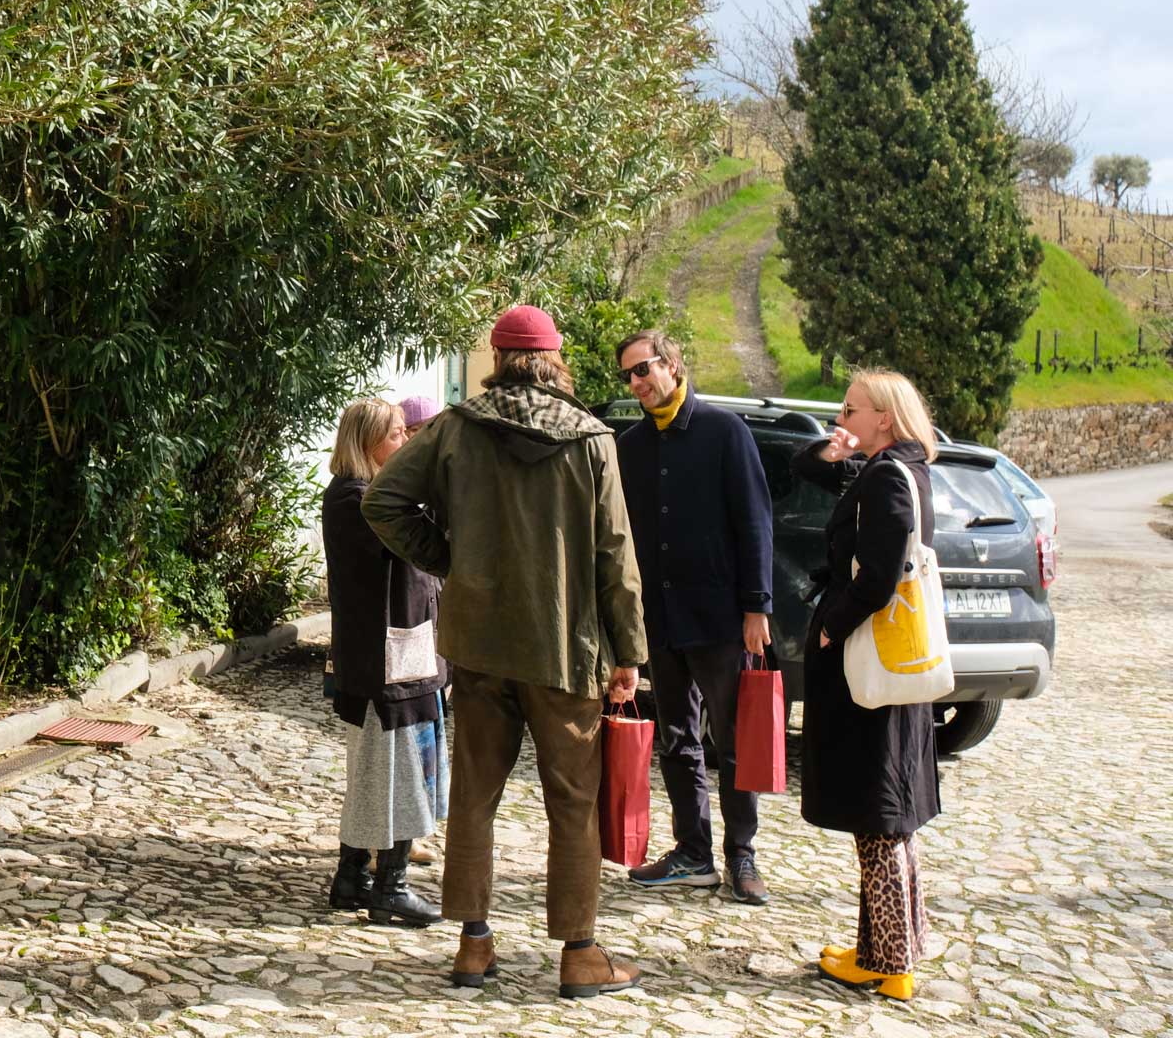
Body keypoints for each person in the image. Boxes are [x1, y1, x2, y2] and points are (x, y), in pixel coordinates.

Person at [365, 305, 648, 999]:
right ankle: (580, 955)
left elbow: (384, 501)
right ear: (555, 361)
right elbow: (616, 555)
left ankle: (473, 945)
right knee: (573, 802)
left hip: (481, 646)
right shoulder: (591, 439)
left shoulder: (459, 430)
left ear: (498, 358)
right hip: (565, 647)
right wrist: (630, 650)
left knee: (476, 797)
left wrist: (450, 561)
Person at [791, 370, 942, 1002]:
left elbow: (878, 577)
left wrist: (832, 626)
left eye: (850, 409)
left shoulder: (886, 478)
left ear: (884, 416)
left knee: (877, 814)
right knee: (885, 815)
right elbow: (809, 466)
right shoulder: (893, 467)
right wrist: (834, 449)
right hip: (884, 667)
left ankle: (891, 964)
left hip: (868, 665)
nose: (840, 416)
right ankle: (886, 946)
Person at [613, 330, 776, 905]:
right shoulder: (630, 446)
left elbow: (755, 523)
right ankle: (693, 853)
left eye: (644, 369)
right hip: (660, 619)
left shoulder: (725, 432)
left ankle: (742, 854)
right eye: (629, 376)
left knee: (734, 743)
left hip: (719, 617)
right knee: (677, 739)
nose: (638, 383)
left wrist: (758, 606)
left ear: (673, 364)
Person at [320, 399, 446, 929]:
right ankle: (389, 886)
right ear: (369, 444)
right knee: (394, 774)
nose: (406, 443)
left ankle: (352, 877)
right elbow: (418, 541)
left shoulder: (367, 496)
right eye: (397, 435)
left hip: (400, 655)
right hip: (384, 662)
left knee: (383, 771)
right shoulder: (357, 500)